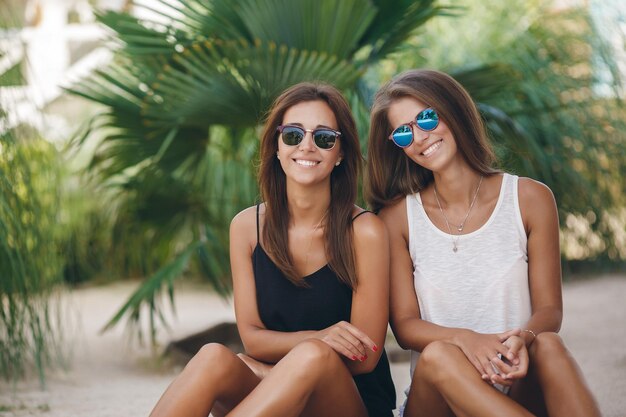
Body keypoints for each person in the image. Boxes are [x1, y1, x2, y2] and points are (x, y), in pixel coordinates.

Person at [150, 82, 396, 417]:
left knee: (314, 355)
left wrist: (295, 358)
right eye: (293, 135)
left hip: (349, 403)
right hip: (274, 398)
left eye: (324, 138)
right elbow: (252, 338)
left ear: (340, 154)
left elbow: (365, 357)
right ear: (277, 147)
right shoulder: (246, 227)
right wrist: (319, 338)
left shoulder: (365, 231)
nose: (307, 146)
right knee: (213, 357)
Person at [366, 69, 601, 417]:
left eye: (426, 118)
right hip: (439, 398)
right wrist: (465, 339)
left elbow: (549, 311)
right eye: (403, 133)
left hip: (515, 382)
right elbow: (405, 326)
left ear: (453, 111)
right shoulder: (397, 219)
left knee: (549, 344)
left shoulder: (529, 199)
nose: (419, 137)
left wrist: (527, 337)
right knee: (437, 354)